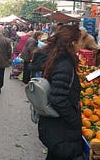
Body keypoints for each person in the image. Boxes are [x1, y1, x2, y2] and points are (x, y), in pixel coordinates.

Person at [33, 25, 83, 159]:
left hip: (53, 125)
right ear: (72, 43)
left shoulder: (55, 58)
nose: (82, 44)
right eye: (80, 40)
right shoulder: (64, 64)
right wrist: (75, 120)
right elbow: (58, 98)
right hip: (61, 127)